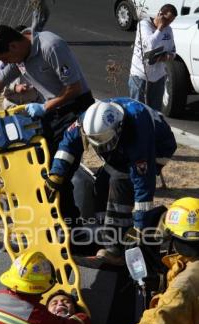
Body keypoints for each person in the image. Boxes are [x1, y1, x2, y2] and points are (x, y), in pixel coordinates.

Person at [46, 97, 177, 265]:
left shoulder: (138, 133)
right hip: (122, 149)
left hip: (158, 148)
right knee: (101, 184)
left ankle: (116, 248)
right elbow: (68, 144)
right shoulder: (87, 119)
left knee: (119, 184)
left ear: (119, 129)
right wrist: (57, 173)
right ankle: (107, 234)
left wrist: (139, 228)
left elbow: (143, 187)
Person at [0, 25, 94, 154]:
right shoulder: (19, 56)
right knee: (38, 154)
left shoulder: (50, 47)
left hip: (77, 106)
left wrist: (44, 107)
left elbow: (74, 88)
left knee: (62, 158)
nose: (6, 63)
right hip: (53, 109)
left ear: (13, 46)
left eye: (5, 59)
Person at [128, 4, 177, 111]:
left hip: (158, 77)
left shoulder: (168, 30)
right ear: (160, 14)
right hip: (140, 75)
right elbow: (150, 45)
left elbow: (173, 50)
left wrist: (168, 56)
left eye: (171, 21)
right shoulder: (143, 25)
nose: (168, 24)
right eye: (167, 20)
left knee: (154, 112)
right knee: (137, 110)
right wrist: (160, 28)